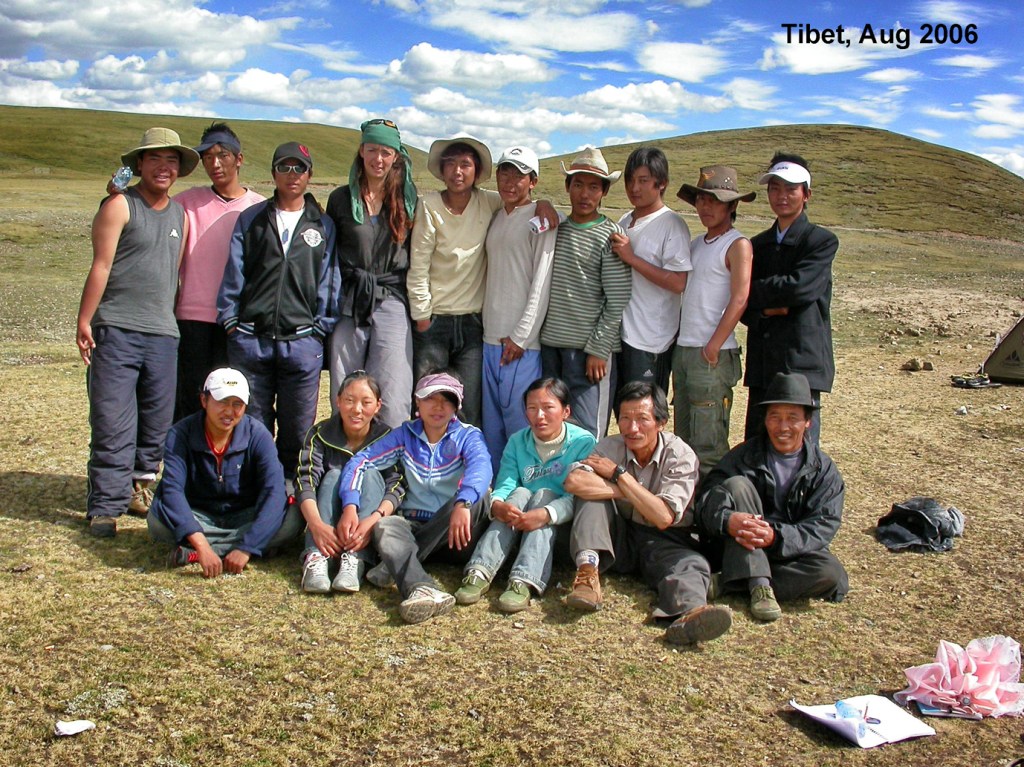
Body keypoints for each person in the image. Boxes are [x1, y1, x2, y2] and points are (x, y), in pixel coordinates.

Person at [77, 127, 197, 537]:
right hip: (116, 327)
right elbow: (101, 265)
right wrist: (85, 320)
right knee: (112, 418)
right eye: (155, 159)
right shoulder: (119, 205)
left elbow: (173, 275)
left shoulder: (180, 215)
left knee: (156, 422)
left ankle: (138, 488)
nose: (164, 167)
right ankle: (104, 506)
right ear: (140, 164)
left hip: (163, 333)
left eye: (172, 160)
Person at [563, 381, 732, 646]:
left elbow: (663, 517)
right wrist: (629, 493)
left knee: (691, 565)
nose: (632, 428)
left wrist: (619, 476)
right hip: (619, 535)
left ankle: (690, 614)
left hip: (667, 539)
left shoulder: (680, 455)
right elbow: (575, 482)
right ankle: (587, 576)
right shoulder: (609, 447)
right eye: (625, 419)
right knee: (591, 500)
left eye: (642, 419)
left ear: (661, 422)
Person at [217, 142, 338, 479]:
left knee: (297, 429)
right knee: (252, 426)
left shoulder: (322, 225)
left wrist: (320, 328)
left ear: (310, 175)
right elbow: (235, 271)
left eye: (299, 168)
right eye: (284, 167)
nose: (292, 174)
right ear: (273, 173)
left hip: (301, 343)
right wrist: (231, 320)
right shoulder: (252, 219)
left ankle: (291, 493)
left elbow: (329, 278)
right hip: (250, 340)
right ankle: (257, 487)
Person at [338, 372, 492, 624]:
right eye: (430, 398)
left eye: (447, 400)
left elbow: (481, 468)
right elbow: (361, 462)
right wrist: (350, 506)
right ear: (417, 402)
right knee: (386, 525)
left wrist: (463, 502)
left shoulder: (468, 435)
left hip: (456, 534)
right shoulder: (405, 435)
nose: (438, 407)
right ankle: (421, 588)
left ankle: (394, 564)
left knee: (481, 496)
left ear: (456, 406)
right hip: (412, 525)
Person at [696, 372, 848, 621]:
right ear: (765, 420)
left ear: (808, 422)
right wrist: (727, 520)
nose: (783, 427)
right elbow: (705, 501)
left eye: (792, 418)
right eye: (775, 417)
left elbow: (823, 525)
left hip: (787, 553)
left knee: (830, 573)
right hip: (739, 547)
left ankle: (733, 581)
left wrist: (775, 536)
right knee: (737, 485)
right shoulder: (743, 456)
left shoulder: (823, 470)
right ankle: (758, 584)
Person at [454, 377, 596, 612]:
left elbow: (579, 497)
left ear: (566, 411)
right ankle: (480, 570)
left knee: (545, 494)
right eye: (532, 408)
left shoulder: (583, 442)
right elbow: (506, 483)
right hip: (518, 524)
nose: (539, 416)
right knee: (519, 492)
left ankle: (523, 579)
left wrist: (546, 513)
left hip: (560, 527)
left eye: (548, 407)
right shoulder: (518, 441)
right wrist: (498, 504)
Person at [148, 368, 304, 577]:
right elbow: (172, 490)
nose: (229, 411)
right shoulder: (180, 434)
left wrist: (246, 548)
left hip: (246, 513)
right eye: (222, 402)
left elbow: (273, 491)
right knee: (157, 522)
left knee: (291, 520)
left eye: (237, 404)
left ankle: (200, 552)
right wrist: (201, 544)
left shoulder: (258, 434)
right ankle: (247, 547)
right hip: (200, 513)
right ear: (204, 400)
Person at [326, 119, 418, 429]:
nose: (378, 159)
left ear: (396, 156)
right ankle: (341, 450)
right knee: (344, 384)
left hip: (392, 297)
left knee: (394, 387)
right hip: (351, 298)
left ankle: (390, 452)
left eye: (386, 152)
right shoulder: (340, 199)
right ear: (361, 151)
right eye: (372, 150)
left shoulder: (408, 200)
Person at [171, 122, 264, 424]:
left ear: (239, 159)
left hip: (238, 321)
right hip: (192, 318)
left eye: (222, 155)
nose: (215, 164)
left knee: (232, 401)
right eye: (207, 157)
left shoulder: (259, 208)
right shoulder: (185, 203)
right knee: (191, 399)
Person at [743, 153, 838, 446]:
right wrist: (767, 310)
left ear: (806, 194)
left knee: (798, 446)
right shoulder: (757, 245)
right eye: (775, 188)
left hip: (801, 361)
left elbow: (800, 289)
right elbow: (740, 300)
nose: (781, 195)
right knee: (758, 442)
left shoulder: (821, 241)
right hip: (764, 362)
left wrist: (754, 292)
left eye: (790, 189)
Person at [407, 136, 500, 427]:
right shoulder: (429, 205)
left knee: (468, 405)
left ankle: (465, 456)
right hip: (435, 320)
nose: (457, 171)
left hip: (473, 322)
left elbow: (521, 203)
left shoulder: (489, 202)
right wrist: (422, 316)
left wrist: (544, 204)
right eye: (450, 164)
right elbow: (419, 262)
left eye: (465, 164)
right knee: (428, 400)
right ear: (442, 170)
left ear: (476, 171)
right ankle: (423, 455)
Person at [540, 146, 631, 439]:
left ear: (604, 192)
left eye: (593, 187)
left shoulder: (610, 235)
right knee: (553, 428)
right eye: (578, 184)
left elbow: (617, 298)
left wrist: (599, 349)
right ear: (568, 186)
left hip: (589, 353)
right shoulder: (557, 229)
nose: (585, 194)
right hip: (551, 348)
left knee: (588, 432)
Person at [673, 165, 755, 476]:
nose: (706, 207)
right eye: (701, 199)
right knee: (683, 436)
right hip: (685, 348)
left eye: (715, 200)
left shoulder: (737, 244)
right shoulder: (697, 243)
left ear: (732, 205)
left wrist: (714, 345)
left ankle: (714, 499)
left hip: (711, 353)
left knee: (708, 440)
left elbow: (740, 297)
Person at [481, 145, 557, 474]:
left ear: (533, 182)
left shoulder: (541, 220)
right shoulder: (498, 215)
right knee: (492, 428)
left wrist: (522, 336)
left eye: (520, 175)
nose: (510, 181)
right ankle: (498, 492)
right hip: (490, 337)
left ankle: (526, 489)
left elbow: (542, 281)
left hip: (519, 343)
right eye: (505, 172)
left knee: (519, 425)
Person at [295, 371, 405, 594]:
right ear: (338, 401)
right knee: (334, 475)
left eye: (366, 402)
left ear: (378, 406)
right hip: (327, 519)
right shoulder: (319, 434)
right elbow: (305, 481)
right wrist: (316, 526)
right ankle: (316, 555)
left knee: (370, 474)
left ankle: (356, 557)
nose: (357, 409)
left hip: (366, 521)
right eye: (349, 400)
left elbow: (397, 485)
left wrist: (372, 521)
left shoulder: (387, 437)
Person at [613, 147, 691, 392]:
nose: (634, 188)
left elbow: (678, 282)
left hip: (651, 339)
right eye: (630, 180)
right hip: (622, 334)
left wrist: (631, 258)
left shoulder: (672, 224)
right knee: (622, 405)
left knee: (645, 407)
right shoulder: (626, 220)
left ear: (662, 183)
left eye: (643, 180)